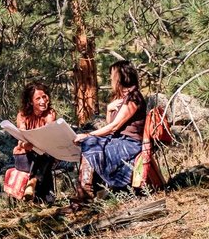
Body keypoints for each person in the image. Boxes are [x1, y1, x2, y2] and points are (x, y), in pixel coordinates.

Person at [75, 60, 147, 198]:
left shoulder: (134, 97)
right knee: (91, 144)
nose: (110, 78)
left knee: (90, 143)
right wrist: (109, 109)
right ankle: (89, 193)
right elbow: (111, 124)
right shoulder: (123, 97)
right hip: (119, 140)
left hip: (130, 144)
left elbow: (114, 127)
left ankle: (85, 195)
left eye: (113, 75)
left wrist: (87, 135)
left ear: (121, 76)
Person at [11, 81, 59, 203]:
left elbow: (48, 131)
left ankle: (32, 181)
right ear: (30, 101)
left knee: (44, 154)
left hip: (44, 152)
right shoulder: (22, 115)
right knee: (39, 159)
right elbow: (21, 137)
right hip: (25, 153)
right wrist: (24, 144)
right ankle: (43, 195)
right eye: (38, 98)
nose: (43, 101)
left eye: (44, 97)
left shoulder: (50, 113)